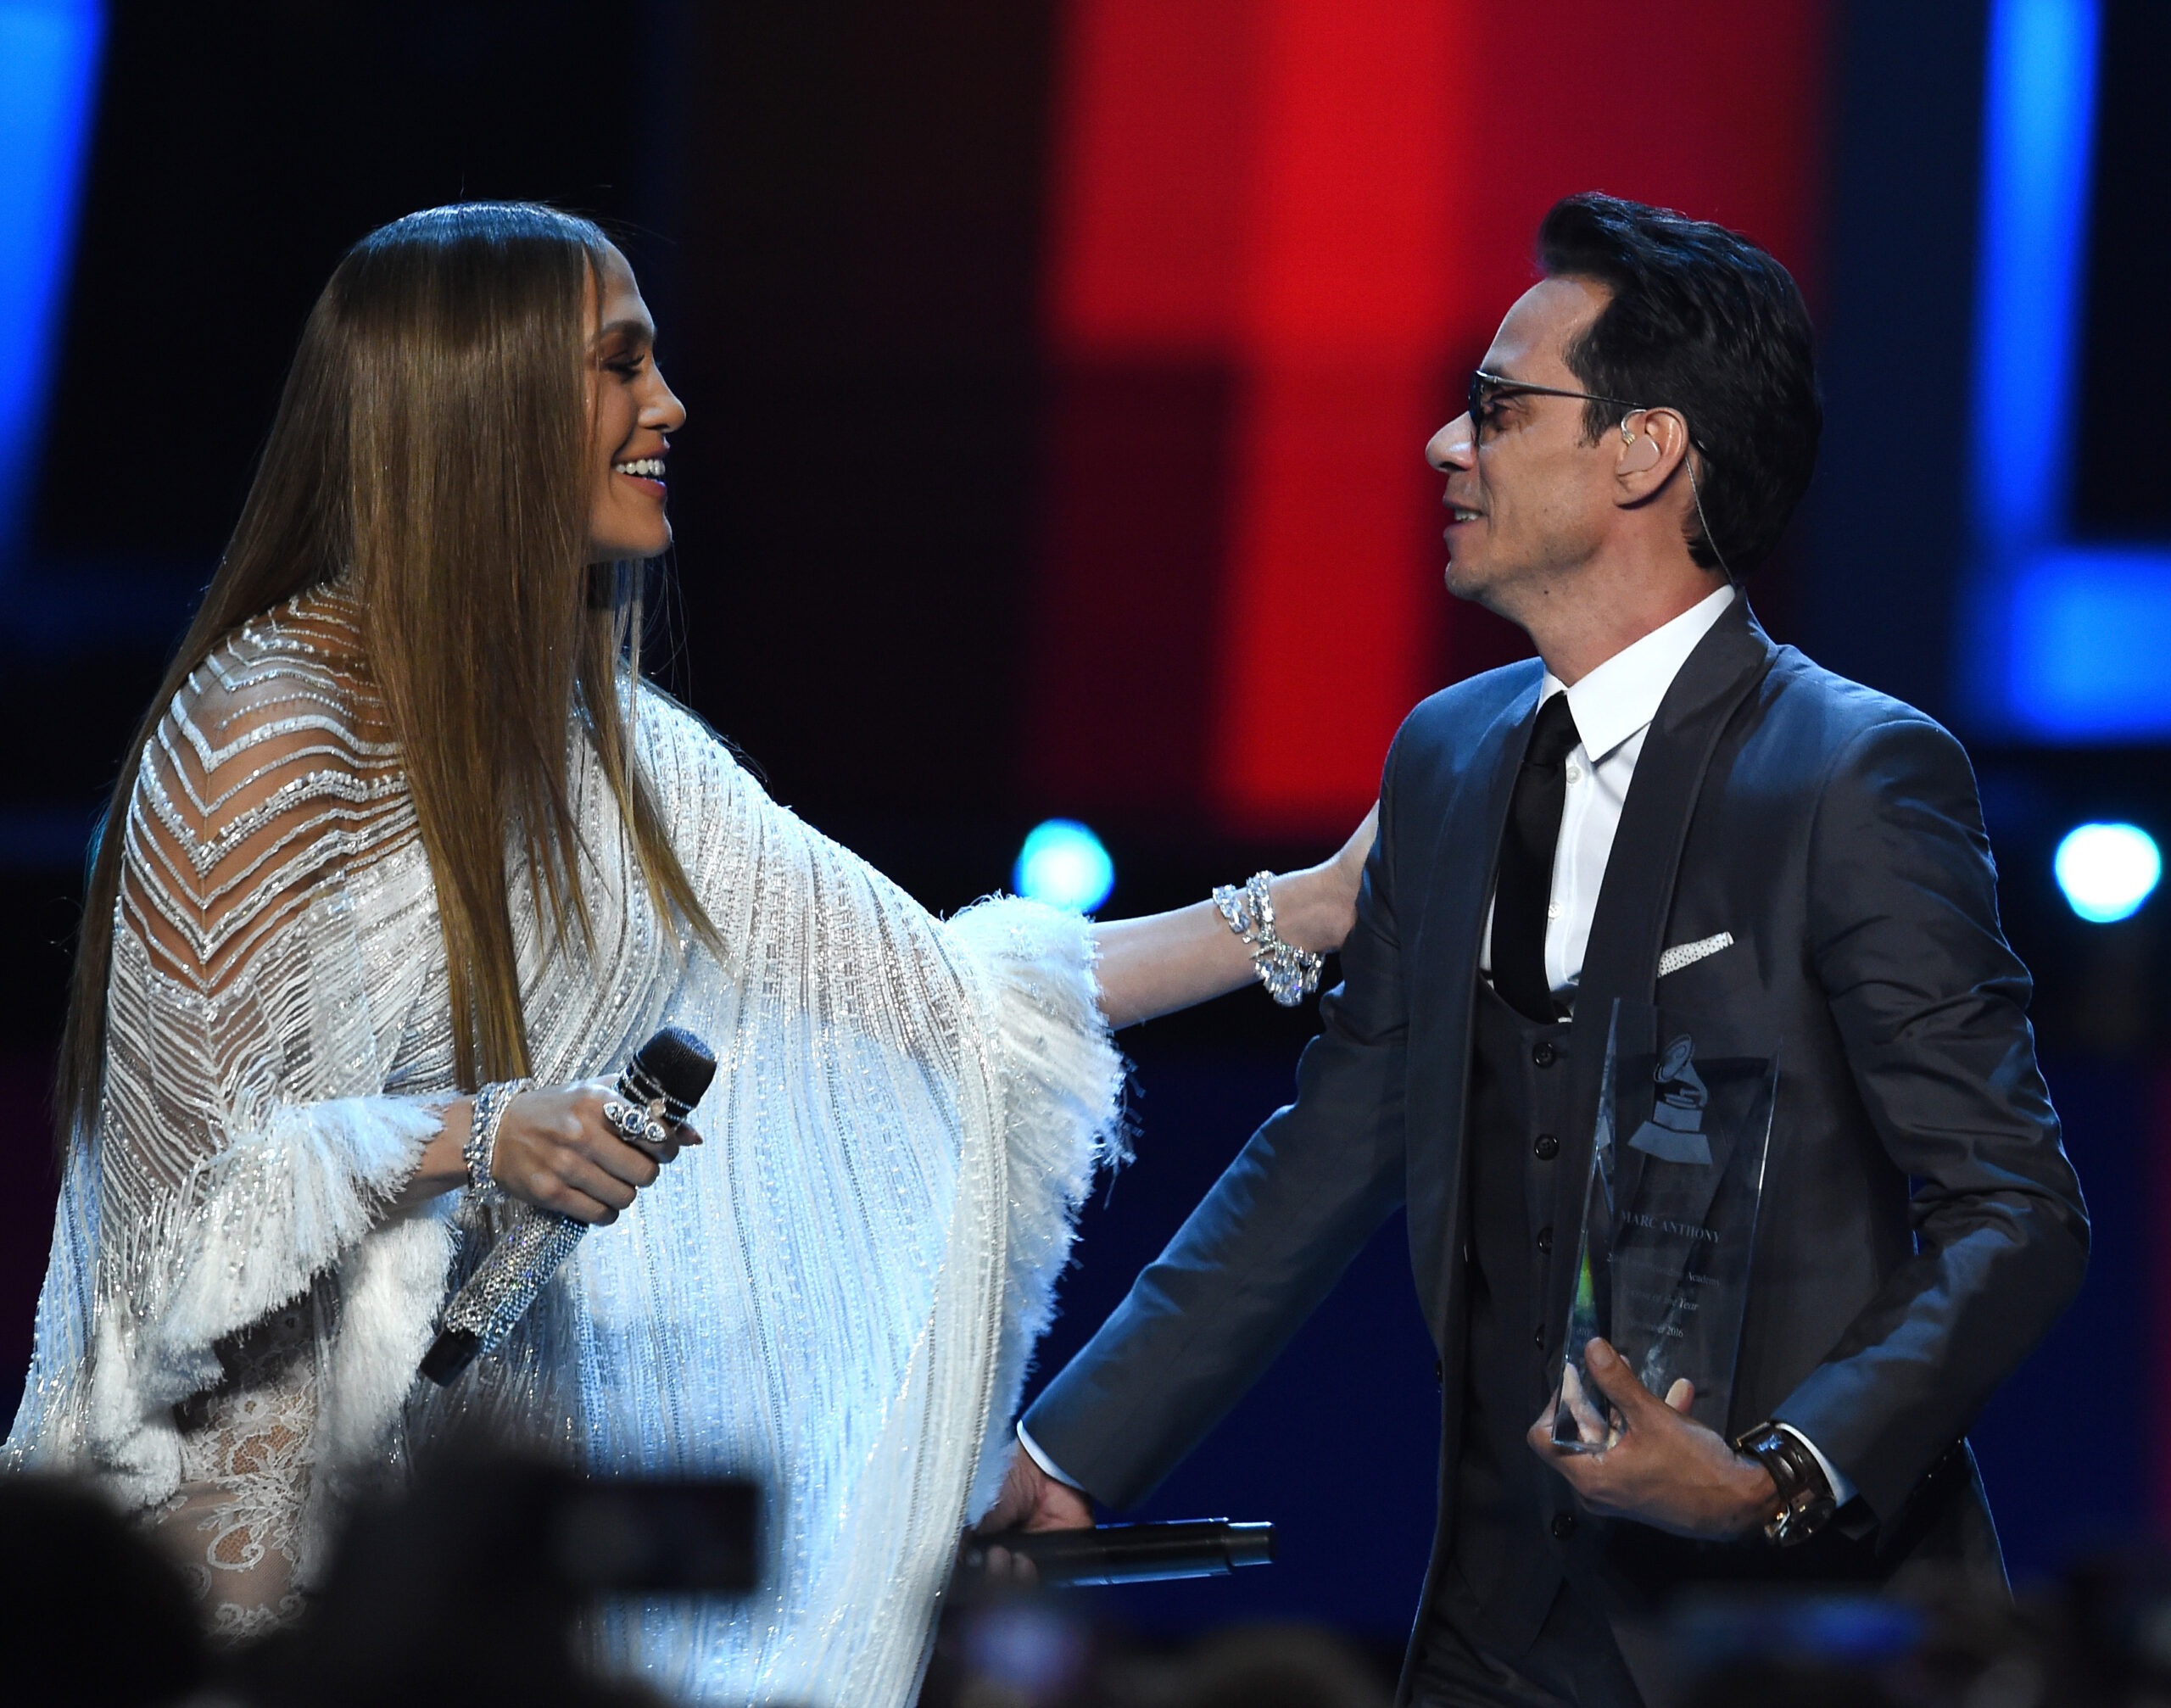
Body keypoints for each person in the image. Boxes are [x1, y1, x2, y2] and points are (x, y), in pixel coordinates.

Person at [3, 203, 1371, 1705]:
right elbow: (171, 1212)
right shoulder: (265, 727)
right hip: (223, 1597)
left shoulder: (610, 754)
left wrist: (1301, 911)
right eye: (620, 363)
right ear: (484, 404)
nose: (670, 404)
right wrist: (479, 1131)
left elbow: (943, 997)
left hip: (456, 1601)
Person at [990, 193, 2089, 1706]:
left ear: (1645, 451)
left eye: (1499, 408)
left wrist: (1770, 1475)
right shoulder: (1448, 758)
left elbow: (2014, 1209)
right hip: (1496, 1631)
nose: (1448, 445)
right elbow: (1329, 1144)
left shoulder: (1852, 775)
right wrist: (1067, 1449)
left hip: (1787, 1639)